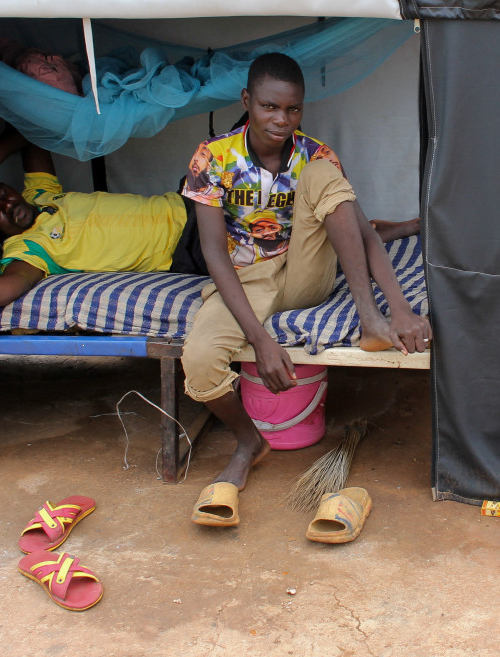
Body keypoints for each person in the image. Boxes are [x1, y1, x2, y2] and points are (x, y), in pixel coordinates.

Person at [180, 52, 431, 528]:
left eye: (292, 110)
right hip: (244, 279)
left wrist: (396, 308)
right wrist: (260, 339)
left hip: (304, 270)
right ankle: (250, 441)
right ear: (247, 101)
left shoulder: (315, 155)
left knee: (323, 173)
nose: (281, 120)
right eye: (270, 107)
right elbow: (214, 252)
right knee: (199, 359)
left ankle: (368, 318)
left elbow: (364, 233)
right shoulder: (212, 156)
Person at [0, 127, 193, 322]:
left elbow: (29, 135)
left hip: (189, 200)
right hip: (186, 244)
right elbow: (18, 280)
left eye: (2, 194)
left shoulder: (41, 195)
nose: (6, 206)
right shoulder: (28, 247)